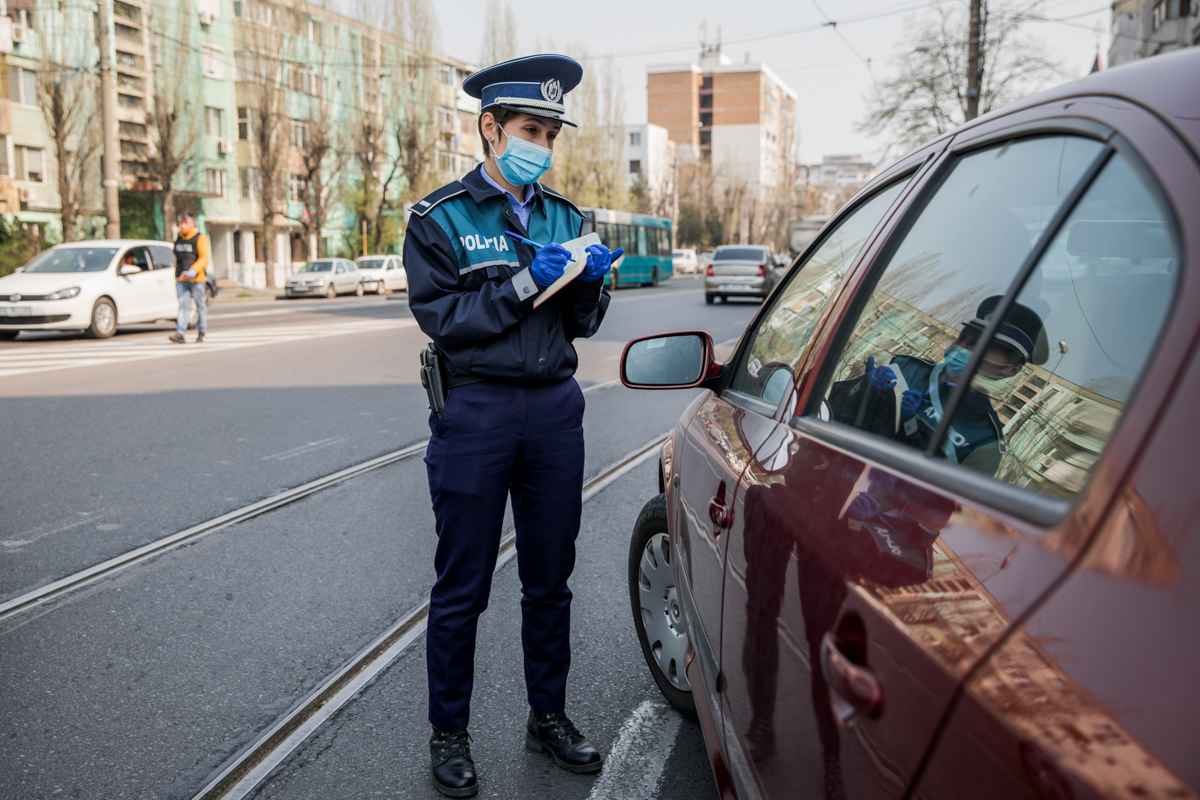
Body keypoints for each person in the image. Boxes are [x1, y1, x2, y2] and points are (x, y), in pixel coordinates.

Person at [404, 55, 623, 798]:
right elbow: (445, 319)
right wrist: (528, 282)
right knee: (462, 584)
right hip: (476, 413)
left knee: (550, 580)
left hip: (554, 411)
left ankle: (547, 716)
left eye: (552, 135)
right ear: (490, 128)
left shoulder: (566, 216)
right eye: (532, 130)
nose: (543, 146)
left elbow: (582, 323)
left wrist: (591, 284)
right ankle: (449, 733)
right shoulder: (439, 219)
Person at [829, 296, 1047, 475]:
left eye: (979, 345)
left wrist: (911, 428)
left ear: (1010, 370)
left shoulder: (984, 439)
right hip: (829, 463)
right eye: (963, 338)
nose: (961, 348)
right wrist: (864, 390)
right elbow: (831, 410)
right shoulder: (906, 366)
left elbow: (944, 505)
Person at [169, 213, 210, 344]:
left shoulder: (200, 238)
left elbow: (204, 257)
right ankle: (180, 333)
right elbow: (177, 258)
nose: (182, 225)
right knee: (183, 306)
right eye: (181, 223)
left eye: (185, 223)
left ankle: (202, 332)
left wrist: (193, 270)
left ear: (192, 224)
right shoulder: (179, 238)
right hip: (181, 280)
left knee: (200, 305)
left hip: (197, 279)